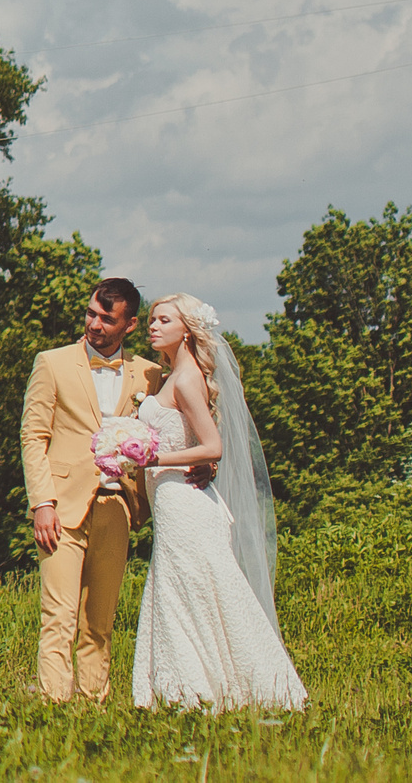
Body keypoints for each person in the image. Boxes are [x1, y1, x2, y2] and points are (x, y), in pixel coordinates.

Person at [132, 293, 309, 710]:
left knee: (197, 590)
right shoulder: (171, 376)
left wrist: (154, 458)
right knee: (189, 590)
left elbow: (213, 447)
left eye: (163, 320)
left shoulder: (187, 378)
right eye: (152, 320)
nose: (153, 326)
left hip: (185, 502)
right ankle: (192, 688)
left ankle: (202, 692)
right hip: (173, 501)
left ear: (187, 330)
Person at [21, 277, 163, 702]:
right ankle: (53, 707)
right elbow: (33, 436)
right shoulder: (52, 362)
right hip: (61, 508)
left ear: (130, 324)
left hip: (117, 506)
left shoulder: (149, 374)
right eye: (90, 313)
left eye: (107, 318)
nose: (94, 324)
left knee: (100, 620)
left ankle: (92, 708)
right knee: (58, 615)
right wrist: (41, 503)